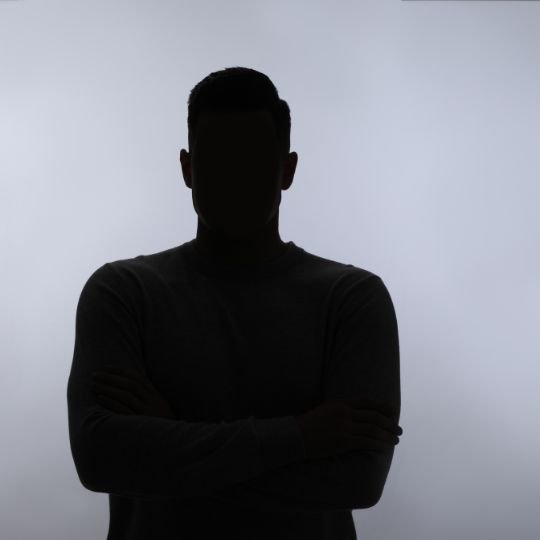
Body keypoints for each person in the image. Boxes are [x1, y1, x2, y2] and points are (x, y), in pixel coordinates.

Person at [67, 66, 402, 540]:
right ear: (187, 168)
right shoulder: (123, 292)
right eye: (217, 159)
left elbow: (357, 480)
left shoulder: (351, 299)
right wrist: (303, 436)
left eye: (253, 159)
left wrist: (172, 433)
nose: (234, 177)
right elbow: (100, 458)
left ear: (287, 170)